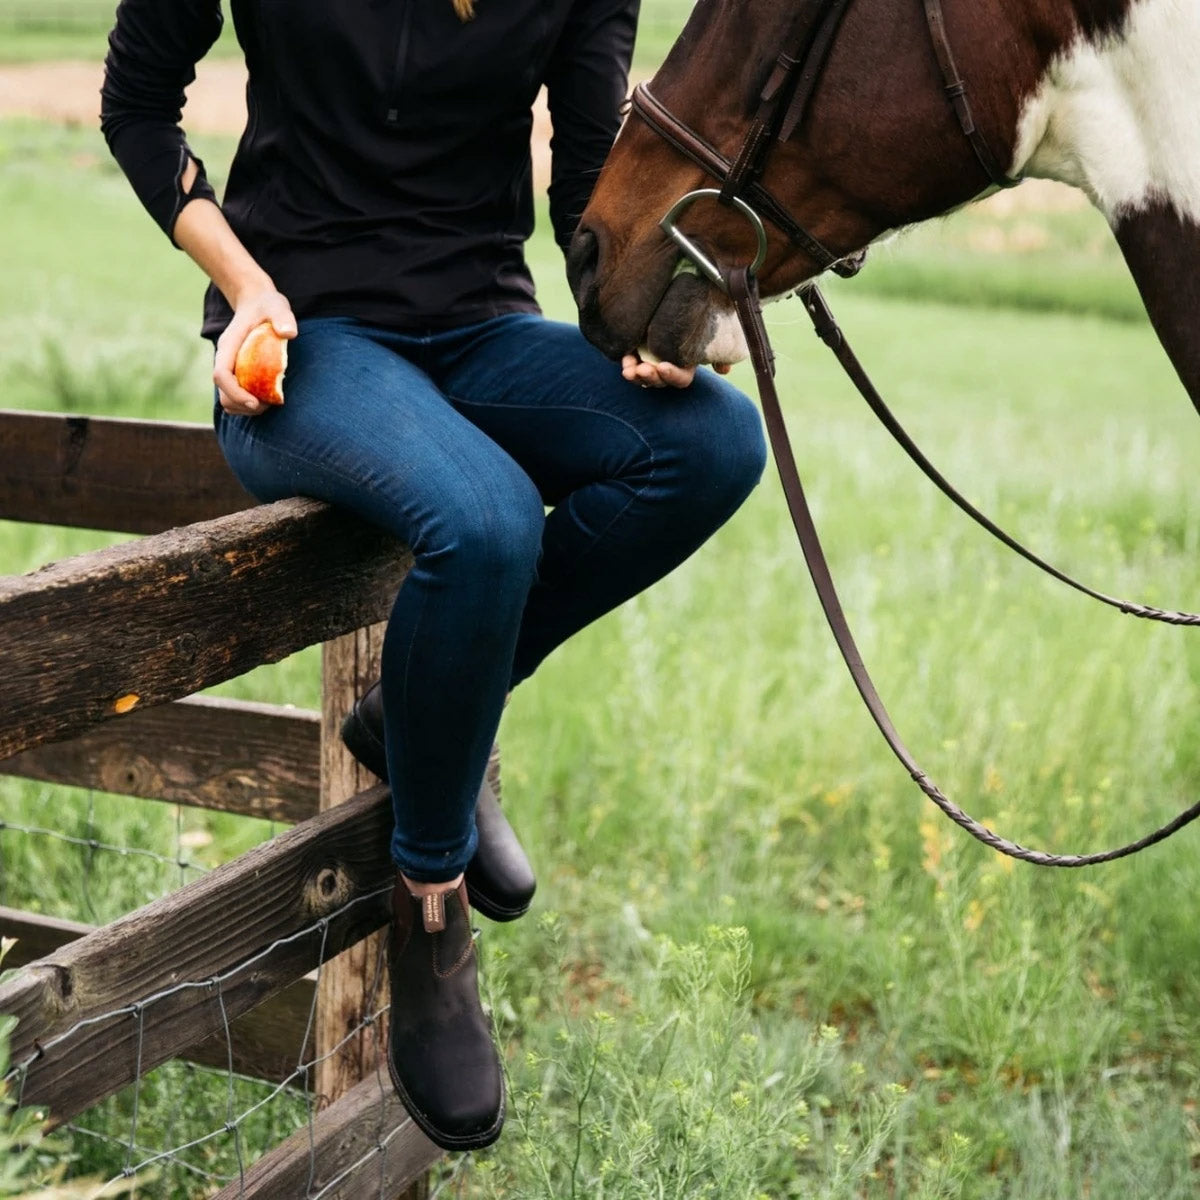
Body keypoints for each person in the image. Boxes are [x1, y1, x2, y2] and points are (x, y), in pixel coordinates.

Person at [101, 0, 766, 1152]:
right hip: (307, 343)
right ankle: (430, 897)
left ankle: (418, 722)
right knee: (490, 520)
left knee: (715, 444)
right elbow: (137, 107)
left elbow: (587, 176)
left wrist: (653, 324)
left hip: (482, 329)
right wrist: (247, 286)